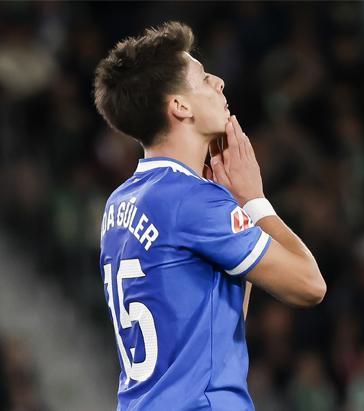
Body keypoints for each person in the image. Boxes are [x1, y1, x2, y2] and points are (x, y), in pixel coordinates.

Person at [93, 21, 326, 410]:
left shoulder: (120, 202)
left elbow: (221, 326)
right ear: (180, 107)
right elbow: (310, 285)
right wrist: (254, 201)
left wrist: (230, 204)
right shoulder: (191, 200)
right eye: (203, 78)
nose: (219, 82)